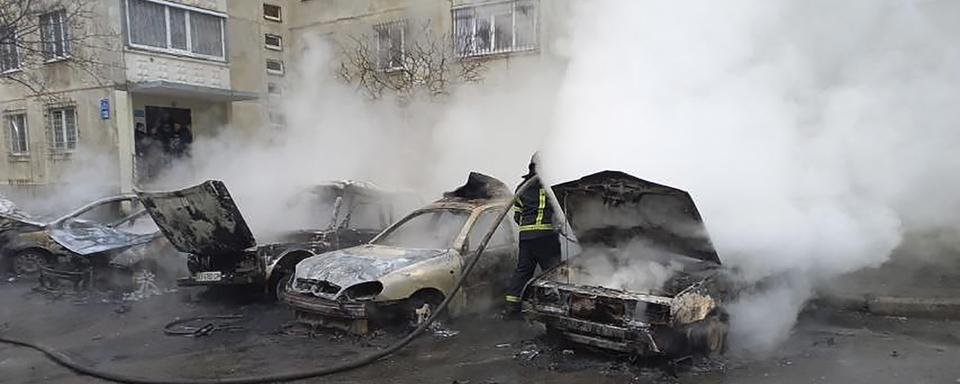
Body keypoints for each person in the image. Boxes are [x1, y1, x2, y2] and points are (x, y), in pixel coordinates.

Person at [503, 155, 560, 319]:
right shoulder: (551, 185)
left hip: (526, 237)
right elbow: (560, 212)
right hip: (546, 236)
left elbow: (517, 215)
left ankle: (511, 308)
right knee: (552, 272)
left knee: (522, 271)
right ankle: (554, 308)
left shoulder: (522, 187)